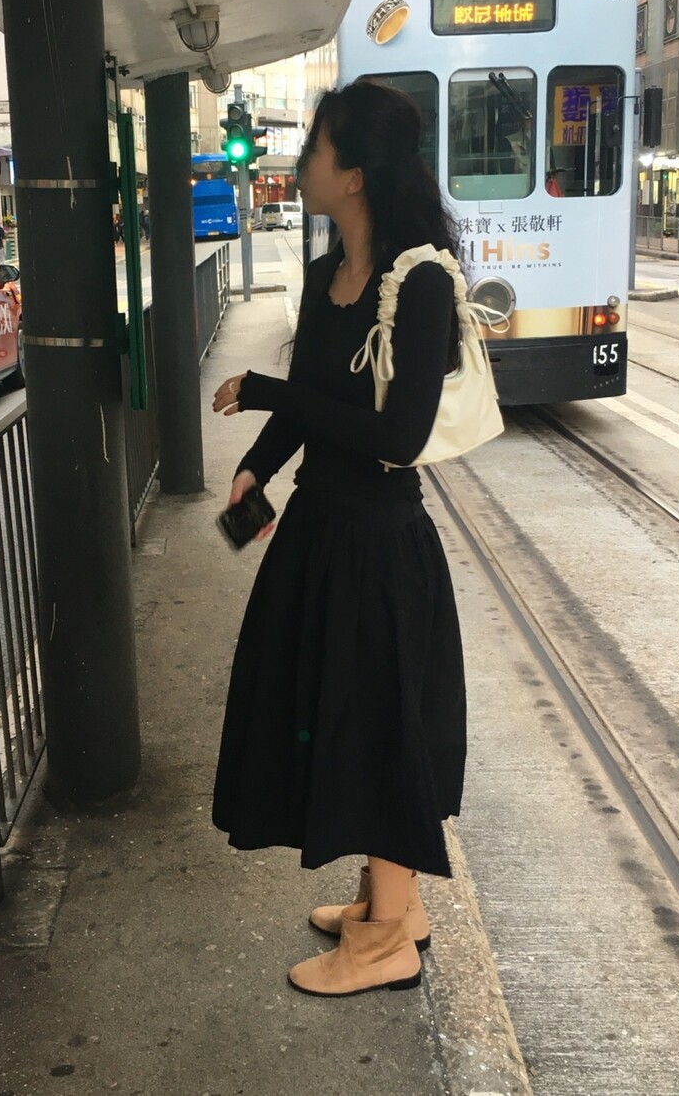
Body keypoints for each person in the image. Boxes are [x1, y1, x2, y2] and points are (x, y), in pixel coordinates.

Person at [211, 79, 466, 998]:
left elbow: (398, 434)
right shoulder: (328, 279)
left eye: (315, 147)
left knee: (379, 730)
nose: (301, 161)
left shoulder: (423, 282)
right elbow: (315, 402)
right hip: (321, 529)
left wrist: (271, 394)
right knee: (346, 717)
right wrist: (259, 465)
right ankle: (388, 899)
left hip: (382, 543)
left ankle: (386, 940)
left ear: (353, 174)